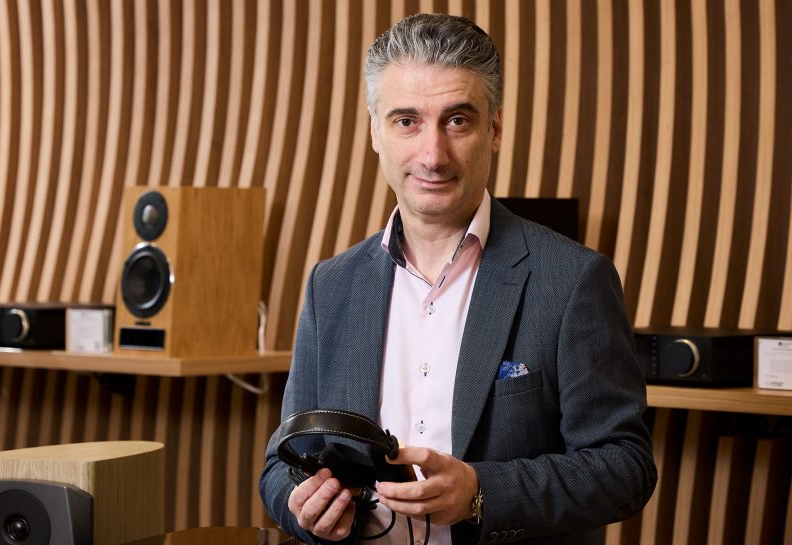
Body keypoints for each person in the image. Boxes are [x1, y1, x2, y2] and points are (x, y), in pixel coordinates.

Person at [260, 13, 657, 545]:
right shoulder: (330, 285)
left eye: (457, 120)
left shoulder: (573, 280)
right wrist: (299, 505)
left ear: (493, 130)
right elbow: (280, 462)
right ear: (375, 131)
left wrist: (480, 492)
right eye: (406, 121)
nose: (432, 155)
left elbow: (625, 468)